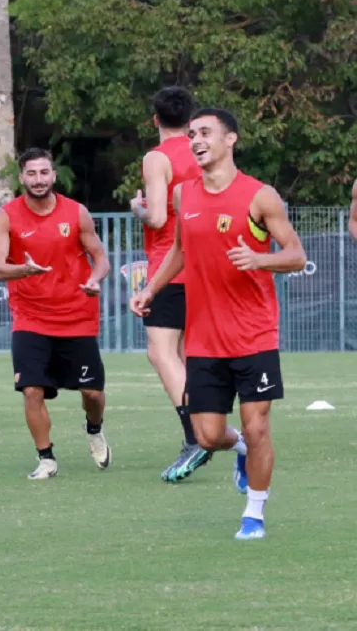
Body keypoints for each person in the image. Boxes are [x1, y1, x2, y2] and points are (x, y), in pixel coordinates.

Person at [131, 108, 306, 540]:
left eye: (206, 132)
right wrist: (150, 289)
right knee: (207, 435)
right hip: (205, 337)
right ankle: (241, 449)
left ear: (231, 139)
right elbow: (179, 251)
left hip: (254, 333)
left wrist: (260, 258)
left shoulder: (259, 195)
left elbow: (296, 255)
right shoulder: (182, 195)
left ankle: (254, 514)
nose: (196, 140)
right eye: (192, 134)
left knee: (258, 424)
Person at [0, 148, 111, 479]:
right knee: (32, 390)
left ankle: (94, 428)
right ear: (22, 178)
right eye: (32, 173)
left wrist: (94, 279)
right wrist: (24, 271)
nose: (39, 179)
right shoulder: (5, 216)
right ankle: (46, 458)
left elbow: (101, 259)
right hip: (30, 317)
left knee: (93, 393)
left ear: (53, 176)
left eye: (44, 173)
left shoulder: (77, 213)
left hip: (77, 315)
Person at [129, 86, 211, 482]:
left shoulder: (156, 157)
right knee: (180, 353)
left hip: (170, 268)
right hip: (205, 265)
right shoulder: (203, 151)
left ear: (155, 120)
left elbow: (159, 218)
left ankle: (197, 436)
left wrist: (138, 208)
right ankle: (206, 430)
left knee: (160, 354)